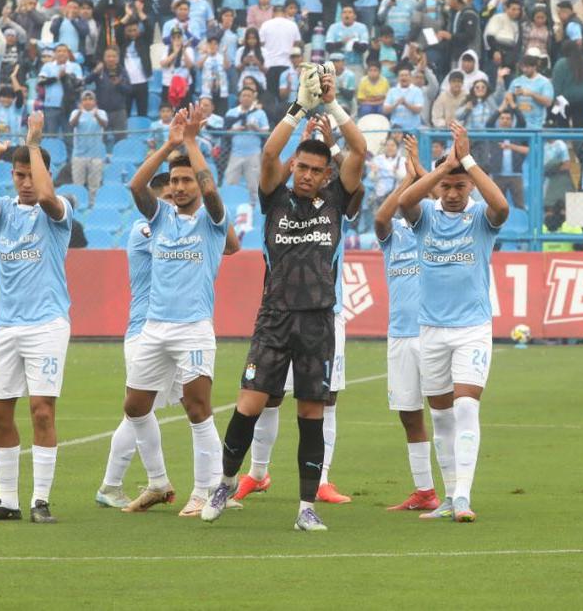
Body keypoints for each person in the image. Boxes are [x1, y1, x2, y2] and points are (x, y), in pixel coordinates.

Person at [204, 63, 367, 530]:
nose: (308, 175)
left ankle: (305, 508)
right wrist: (298, 108)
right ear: (294, 166)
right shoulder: (275, 197)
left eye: (317, 170)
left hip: (317, 320)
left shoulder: (336, 201)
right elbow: (270, 151)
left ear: (327, 174)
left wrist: (332, 106)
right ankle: (224, 482)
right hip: (274, 317)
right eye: (303, 167)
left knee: (311, 413)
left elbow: (360, 149)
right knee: (249, 405)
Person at [94, 174, 239, 508]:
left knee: (189, 406)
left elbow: (231, 245)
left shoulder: (189, 224)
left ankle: (191, 486)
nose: (175, 200)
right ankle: (118, 484)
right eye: (169, 196)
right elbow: (146, 200)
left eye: (181, 191)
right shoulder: (146, 228)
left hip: (180, 326)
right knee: (137, 409)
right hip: (145, 328)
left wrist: (210, 222)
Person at [114, 105, 230, 517]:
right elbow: (135, 185)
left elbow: (213, 193)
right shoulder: (160, 217)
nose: (180, 186)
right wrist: (169, 143)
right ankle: (160, 481)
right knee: (134, 406)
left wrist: (193, 144)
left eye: (186, 180)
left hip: (193, 329)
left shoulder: (212, 222)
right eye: (176, 181)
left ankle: (206, 490)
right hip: (154, 329)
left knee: (197, 408)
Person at [392, 121, 510, 522]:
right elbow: (403, 204)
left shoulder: (479, 217)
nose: (454, 193)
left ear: (471, 188)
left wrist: (468, 159)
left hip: (472, 329)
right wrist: (442, 169)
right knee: (440, 415)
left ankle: (462, 495)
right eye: (448, 187)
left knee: (464, 407)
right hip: (431, 330)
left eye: (461, 186)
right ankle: (446, 496)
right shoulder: (424, 215)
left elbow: (503, 207)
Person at [0, 114, 68, 525]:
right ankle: (8, 501)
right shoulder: (4, 211)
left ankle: (41, 500)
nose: (25, 182)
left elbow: (45, 196)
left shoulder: (58, 211)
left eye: (31, 174)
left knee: (42, 410)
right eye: (19, 174)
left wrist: (34, 142)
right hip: (6, 325)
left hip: (46, 325)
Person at [371, 135, 446, 512]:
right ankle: (424, 490)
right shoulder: (393, 236)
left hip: (433, 332)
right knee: (409, 415)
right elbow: (381, 217)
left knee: (442, 414)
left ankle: (455, 490)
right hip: (400, 336)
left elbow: (424, 203)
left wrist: (422, 175)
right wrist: (407, 179)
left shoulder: (435, 229)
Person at [223, 87, 271, 201]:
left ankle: (254, 211)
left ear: (253, 98)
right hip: (235, 154)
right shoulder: (231, 112)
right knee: (230, 182)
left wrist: (256, 128)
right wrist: (235, 130)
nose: (246, 98)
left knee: (254, 186)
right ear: (239, 98)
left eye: (249, 95)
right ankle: (231, 206)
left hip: (254, 155)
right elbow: (224, 132)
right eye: (244, 95)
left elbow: (266, 133)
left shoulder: (260, 113)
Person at [69, 91, 108, 203]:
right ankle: (78, 207)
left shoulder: (101, 112)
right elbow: (72, 124)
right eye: (85, 99)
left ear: (95, 102)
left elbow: (104, 125)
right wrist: (80, 113)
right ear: (81, 102)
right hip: (78, 155)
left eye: (90, 99)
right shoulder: (75, 112)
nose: (87, 101)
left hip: (96, 155)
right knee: (78, 185)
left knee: (94, 186)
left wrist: (96, 115)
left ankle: (92, 207)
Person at [383, 66, 426, 131]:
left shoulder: (417, 91)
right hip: (396, 129)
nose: (404, 77)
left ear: (411, 78)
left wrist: (406, 104)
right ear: (398, 78)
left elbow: (418, 110)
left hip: (413, 128)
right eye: (401, 75)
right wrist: (396, 104)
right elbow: (385, 110)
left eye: (406, 75)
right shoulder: (392, 91)